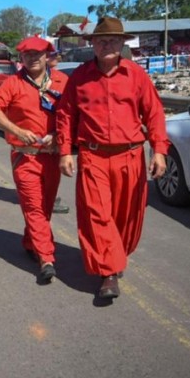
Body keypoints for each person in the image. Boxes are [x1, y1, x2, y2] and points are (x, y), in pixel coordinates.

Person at [56, 17, 168, 300]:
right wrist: (66, 151)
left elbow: (154, 114)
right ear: (92, 44)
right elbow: (66, 115)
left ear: (122, 44)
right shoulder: (79, 77)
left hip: (130, 156)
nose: (108, 45)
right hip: (93, 157)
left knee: (126, 217)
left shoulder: (136, 75)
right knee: (97, 214)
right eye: (102, 40)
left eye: (114, 40)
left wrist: (160, 151)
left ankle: (115, 253)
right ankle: (108, 273)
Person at [0, 36, 68, 283]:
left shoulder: (63, 82)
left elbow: (73, 113)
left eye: (38, 53)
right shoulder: (13, 83)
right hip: (25, 157)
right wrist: (18, 131)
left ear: (48, 56)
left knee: (44, 207)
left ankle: (30, 242)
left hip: (52, 158)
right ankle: (46, 258)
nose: (32, 58)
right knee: (33, 207)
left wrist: (59, 135)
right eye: (27, 54)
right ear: (21, 58)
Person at [46, 49, 70, 215]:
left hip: (59, 132)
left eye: (56, 55)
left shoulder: (62, 78)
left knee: (54, 170)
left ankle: (51, 198)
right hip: (39, 136)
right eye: (52, 55)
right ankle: (48, 200)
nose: (56, 58)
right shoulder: (26, 78)